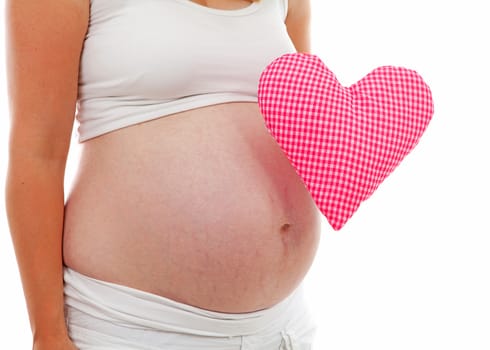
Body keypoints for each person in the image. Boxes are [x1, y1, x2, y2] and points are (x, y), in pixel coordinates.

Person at [5, 0, 321, 348]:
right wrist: (47, 333)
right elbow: (38, 155)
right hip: (133, 327)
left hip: (281, 328)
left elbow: (307, 121)